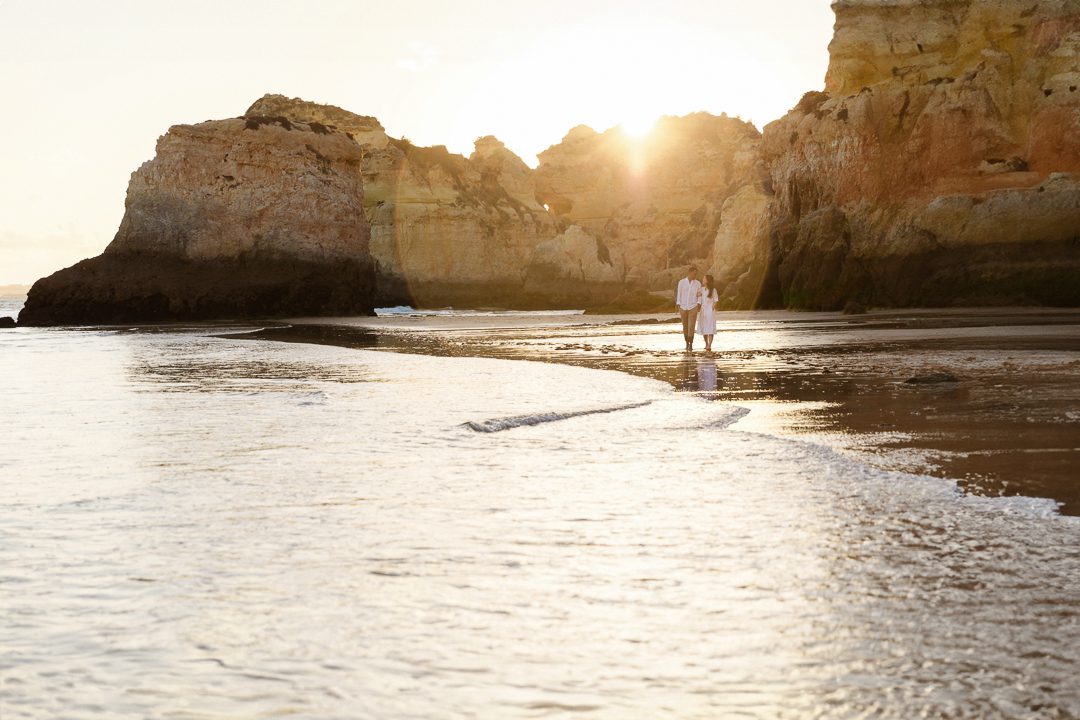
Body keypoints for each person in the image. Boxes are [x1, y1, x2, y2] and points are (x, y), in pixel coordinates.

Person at [675, 266, 702, 351]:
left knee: (691, 326)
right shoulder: (681, 282)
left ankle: (691, 344)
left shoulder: (698, 283)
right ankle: (686, 343)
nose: (695, 275)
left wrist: (698, 304)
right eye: (694, 274)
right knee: (685, 326)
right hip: (683, 307)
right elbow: (679, 293)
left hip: (693, 307)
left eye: (696, 274)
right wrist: (678, 304)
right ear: (690, 273)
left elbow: (700, 294)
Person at [697, 274, 719, 352]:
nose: (702, 280)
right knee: (704, 328)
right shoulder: (702, 289)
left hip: (710, 310)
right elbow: (698, 298)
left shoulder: (713, 290)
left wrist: (712, 308)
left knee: (710, 328)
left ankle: (709, 345)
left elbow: (716, 300)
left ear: (707, 280)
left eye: (704, 279)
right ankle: (706, 343)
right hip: (703, 310)